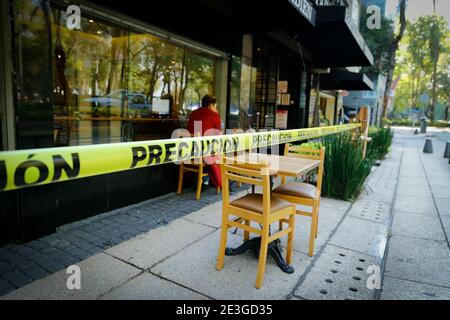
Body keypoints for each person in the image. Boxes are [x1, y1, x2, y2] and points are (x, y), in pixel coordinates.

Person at [187, 95, 222, 189]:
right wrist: (216, 114)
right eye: (215, 106)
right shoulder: (214, 115)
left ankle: (206, 179)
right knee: (221, 151)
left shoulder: (193, 114)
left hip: (190, 153)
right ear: (211, 105)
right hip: (204, 155)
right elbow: (219, 134)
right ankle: (220, 181)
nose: (216, 108)